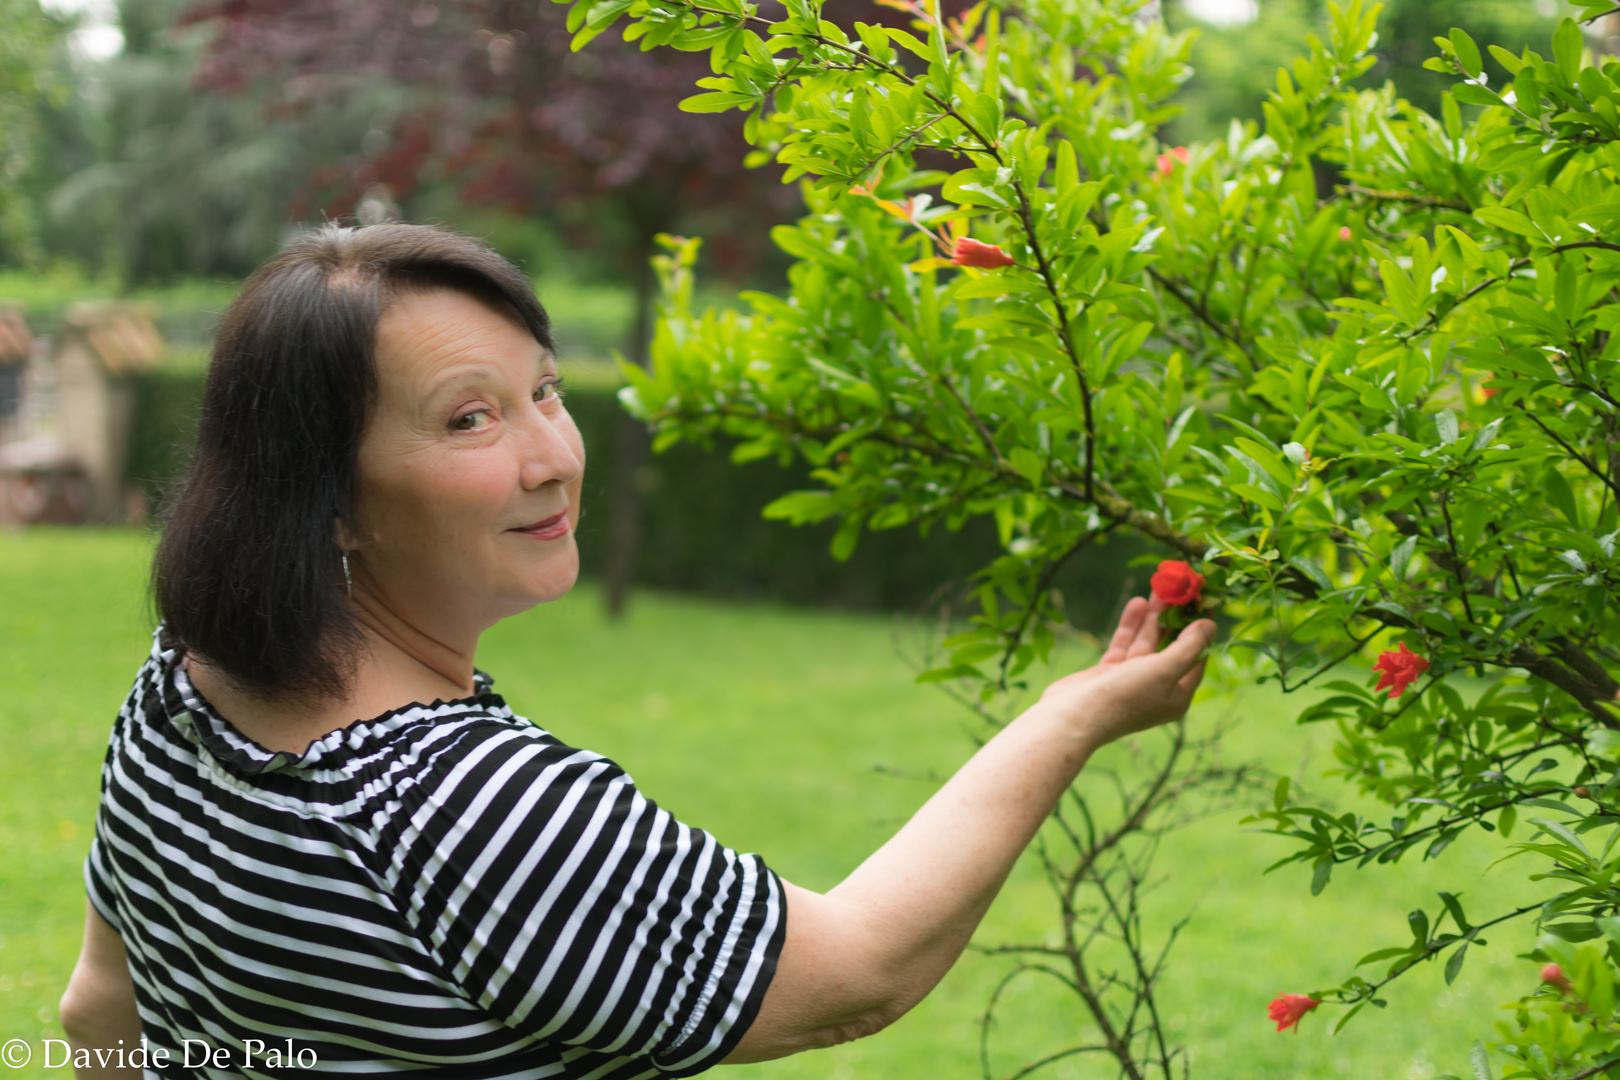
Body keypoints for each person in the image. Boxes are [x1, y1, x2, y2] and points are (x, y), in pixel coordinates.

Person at [59, 223, 1214, 1079]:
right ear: (329, 501)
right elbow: (854, 976)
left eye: (545, 390)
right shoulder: (464, 804)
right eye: (470, 417)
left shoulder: (187, 689)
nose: (552, 453)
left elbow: (98, 1015)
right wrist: (1077, 713)